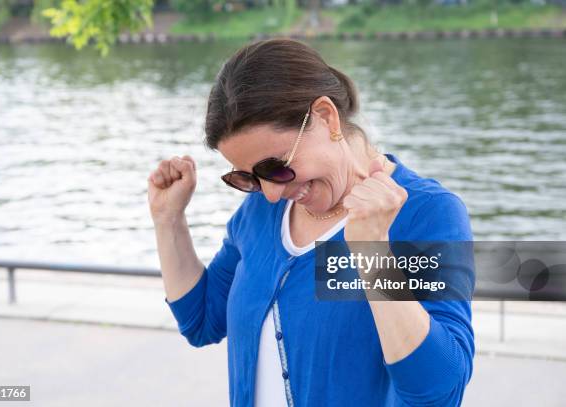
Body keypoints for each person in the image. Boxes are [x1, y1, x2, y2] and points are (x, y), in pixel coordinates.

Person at [147, 38, 474, 406]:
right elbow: (202, 320)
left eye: (275, 167)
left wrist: (372, 253)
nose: (270, 192)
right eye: (249, 178)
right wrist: (168, 220)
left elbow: (439, 391)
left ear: (326, 116)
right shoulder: (262, 212)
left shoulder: (424, 214)